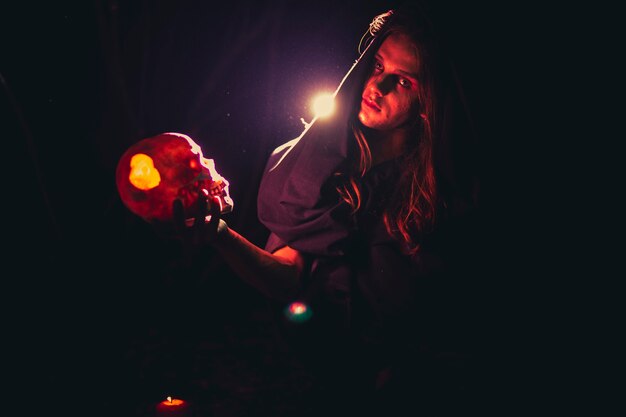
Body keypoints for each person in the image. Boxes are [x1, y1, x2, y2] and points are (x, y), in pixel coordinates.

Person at [172, 3, 482, 415]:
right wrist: (220, 237)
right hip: (342, 385)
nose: (379, 86)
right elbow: (290, 277)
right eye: (376, 66)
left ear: (430, 98)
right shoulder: (319, 169)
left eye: (403, 81)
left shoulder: (442, 186)